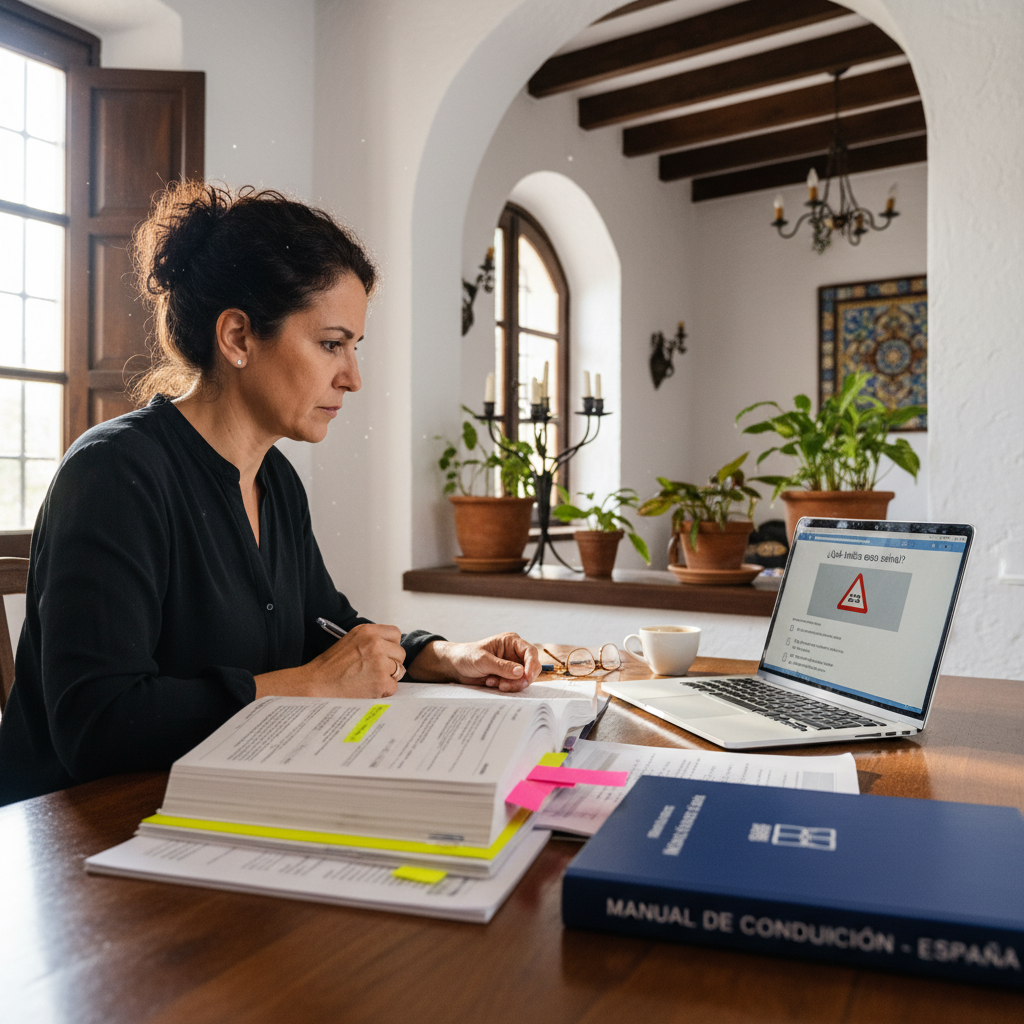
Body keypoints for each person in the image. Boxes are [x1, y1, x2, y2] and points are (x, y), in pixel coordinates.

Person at [0, 182, 541, 806]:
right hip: (78, 840)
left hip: (213, 806)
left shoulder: (276, 479)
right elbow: (97, 724)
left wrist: (444, 655)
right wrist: (309, 687)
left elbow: (323, 627)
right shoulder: (113, 474)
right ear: (237, 338)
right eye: (331, 344)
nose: (353, 377)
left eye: (355, 347)